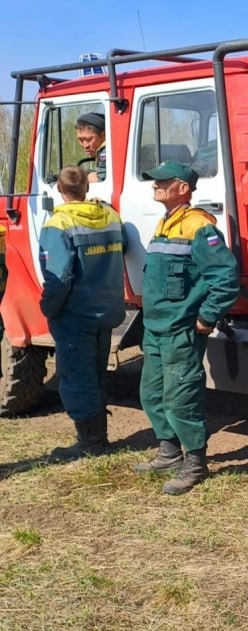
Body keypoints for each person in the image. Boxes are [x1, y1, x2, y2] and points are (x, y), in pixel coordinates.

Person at [134, 161, 239, 495]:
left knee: (182, 397)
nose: (155, 186)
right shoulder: (166, 223)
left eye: (162, 182)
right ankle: (168, 452)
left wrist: (207, 317)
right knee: (152, 393)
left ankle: (195, 461)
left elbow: (225, 278)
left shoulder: (198, 227)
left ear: (183, 187)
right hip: (155, 328)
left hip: (180, 329)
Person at [38, 165, 127, 461]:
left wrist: (49, 308)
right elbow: (122, 246)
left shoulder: (58, 224)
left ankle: (90, 443)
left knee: (78, 379)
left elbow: (59, 277)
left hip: (75, 315)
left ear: (60, 191)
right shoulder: (111, 216)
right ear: (86, 189)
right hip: (107, 311)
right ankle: (98, 436)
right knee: (95, 375)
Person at [75, 112, 108, 183]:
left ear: (103, 135)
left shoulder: (106, 153)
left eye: (89, 139)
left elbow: (101, 180)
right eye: (80, 140)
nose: (85, 145)